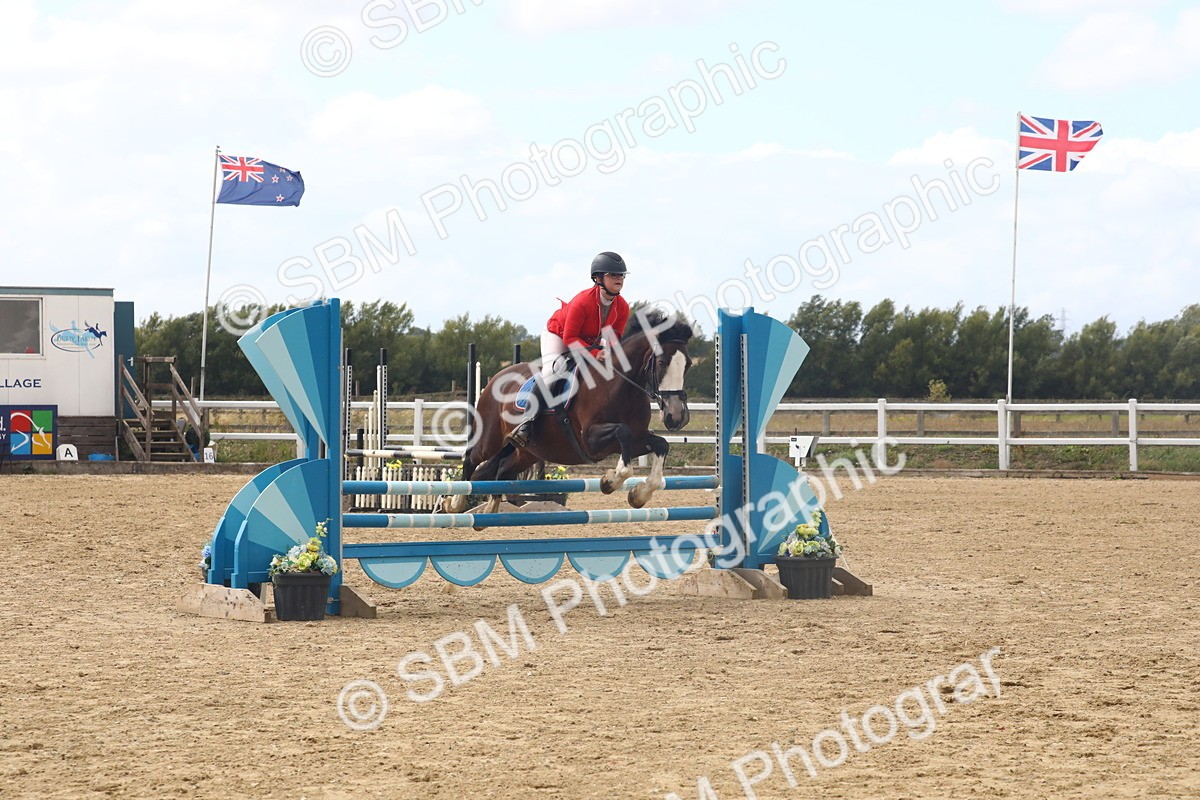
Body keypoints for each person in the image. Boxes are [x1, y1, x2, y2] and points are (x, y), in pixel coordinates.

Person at [506, 251, 631, 447]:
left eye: (622, 275)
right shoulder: (582, 301)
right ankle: (526, 423)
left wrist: (614, 354)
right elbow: (570, 337)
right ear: (598, 278)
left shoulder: (622, 307)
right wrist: (596, 353)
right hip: (559, 335)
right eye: (613, 275)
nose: (619, 279)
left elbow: (614, 337)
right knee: (552, 372)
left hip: (589, 340)